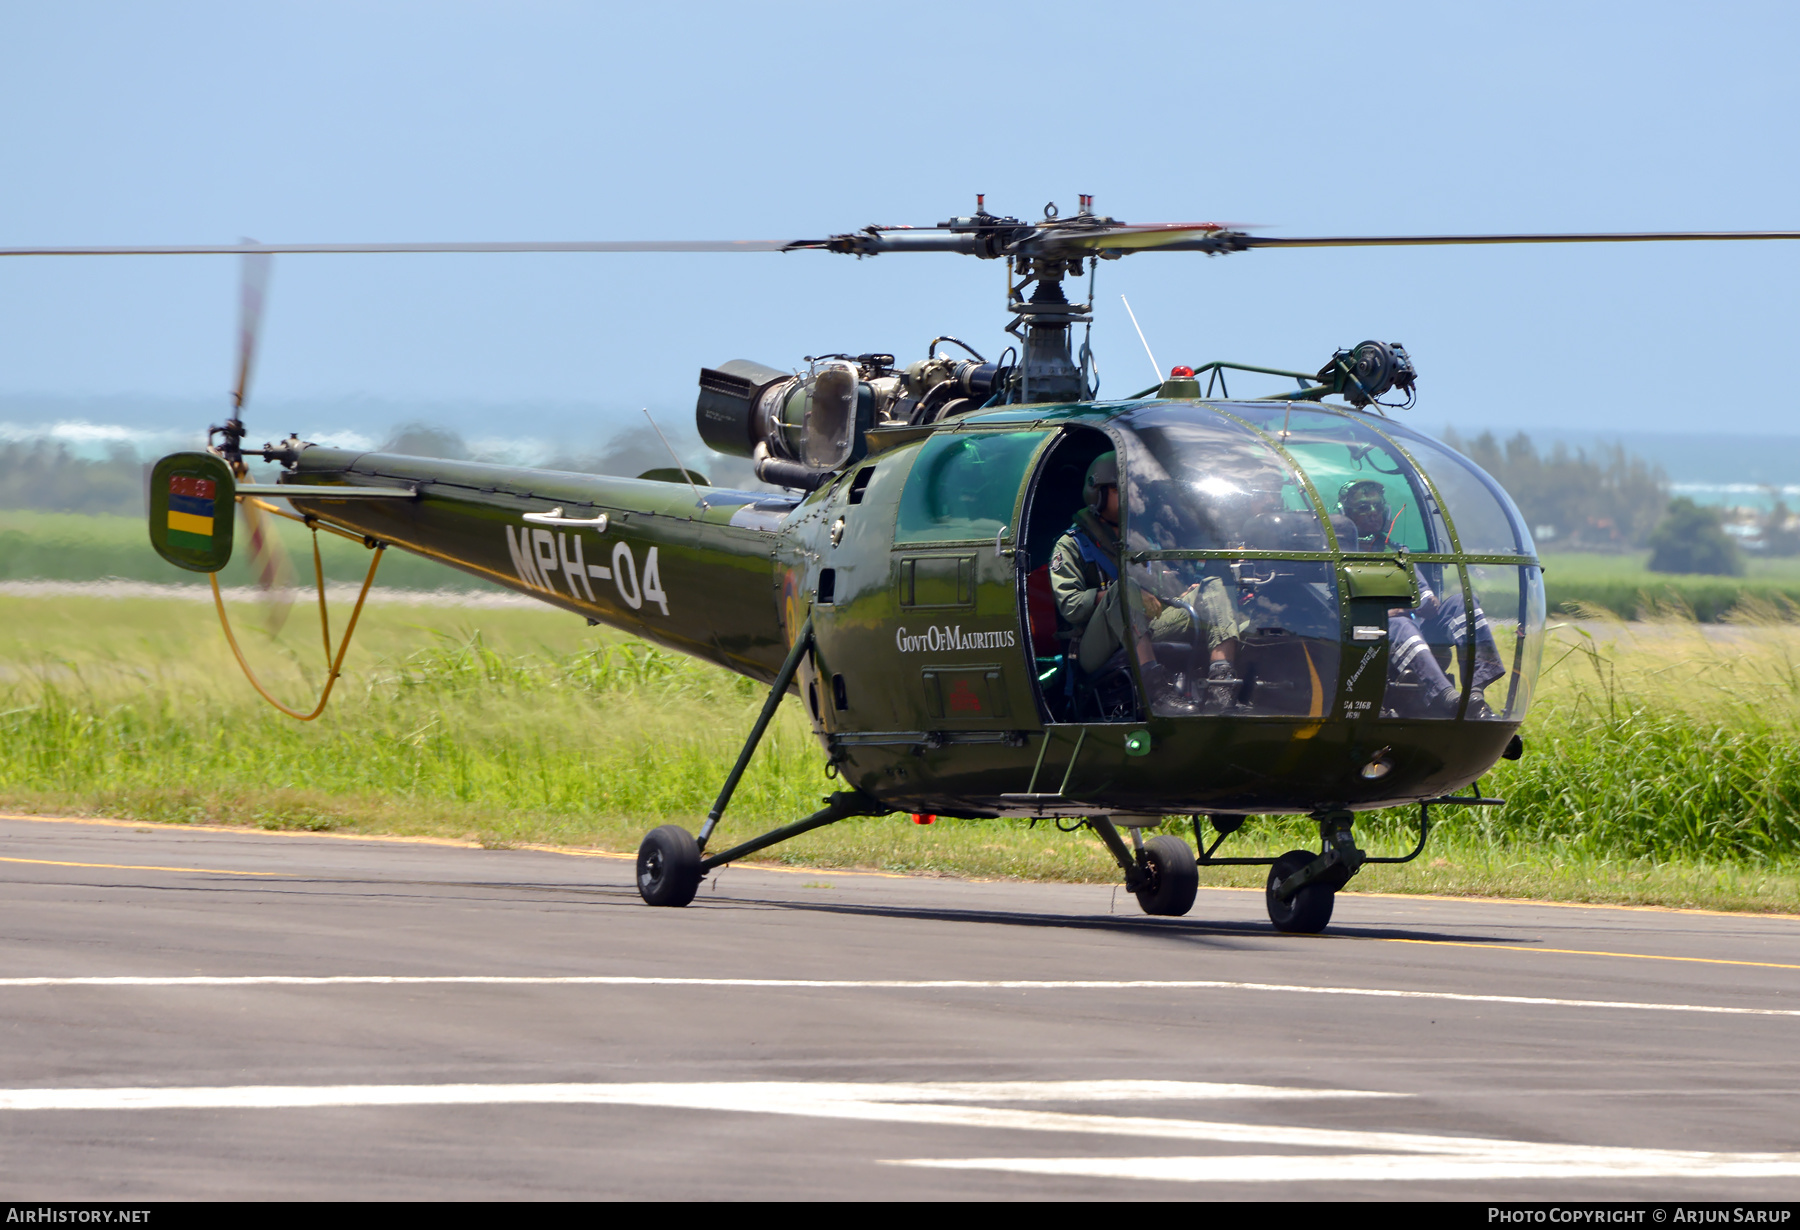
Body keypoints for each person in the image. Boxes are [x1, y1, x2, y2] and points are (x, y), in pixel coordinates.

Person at [1049, 452, 1242, 715]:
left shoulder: (1141, 539)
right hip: (1096, 643)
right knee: (1124, 588)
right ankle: (1155, 690)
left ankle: (1222, 683)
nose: (1130, 496)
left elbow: (1157, 592)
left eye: (1134, 489)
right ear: (1098, 493)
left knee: (1210, 586)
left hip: (1144, 627)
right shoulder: (1071, 544)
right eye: (1120, 489)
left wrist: (1178, 591)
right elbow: (1070, 607)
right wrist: (1121, 594)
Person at [1335, 479, 1506, 717]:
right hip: (1364, 637)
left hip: (1409, 625)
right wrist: (1388, 614)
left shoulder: (1397, 551)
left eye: (1376, 506)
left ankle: (1474, 694)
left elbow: (1426, 599)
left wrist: (1422, 603)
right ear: (1346, 514)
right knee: (1399, 622)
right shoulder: (1334, 554)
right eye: (1363, 507)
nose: (1372, 512)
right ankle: (1447, 697)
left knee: (1462, 604)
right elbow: (1333, 608)